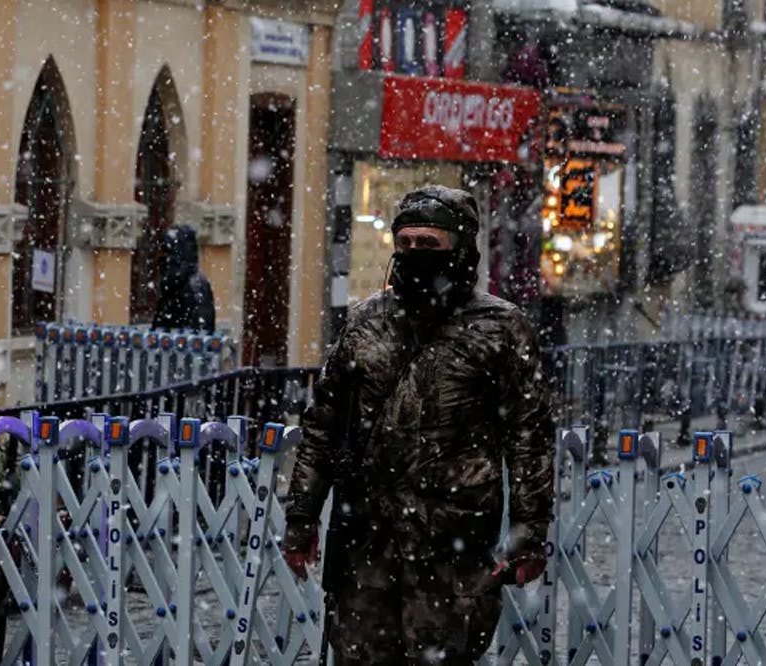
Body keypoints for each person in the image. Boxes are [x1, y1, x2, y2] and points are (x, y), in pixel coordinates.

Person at [282, 185, 555, 665]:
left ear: (460, 248)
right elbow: (323, 424)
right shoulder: (367, 322)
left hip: (452, 547)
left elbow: (529, 436)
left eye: (428, 245)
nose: (414, 255)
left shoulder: (502, 329)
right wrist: (302, 517)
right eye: (405, 244)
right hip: (367, 541)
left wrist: (529, 533)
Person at [152, 225, 216, 333]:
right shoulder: (170, 285)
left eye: (167, 252)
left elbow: (202, 335)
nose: (163, 258)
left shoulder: (195, 284)